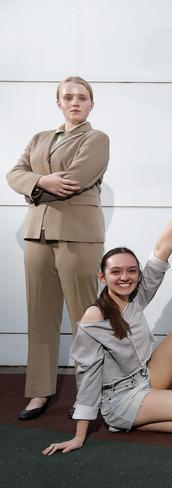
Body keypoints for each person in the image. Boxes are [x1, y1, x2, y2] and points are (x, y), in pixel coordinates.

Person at [42, 191, 172, 455]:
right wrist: (79, 436)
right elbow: (87, 374)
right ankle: (130, 423)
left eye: (131, 271)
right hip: (121, 398)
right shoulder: (95, 316)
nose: (124, 277)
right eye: (115, 272)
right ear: (102, 277)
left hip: (145, 377)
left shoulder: (137, 296)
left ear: (138, 275)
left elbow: (162, 251)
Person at [6, 76, 109, 421]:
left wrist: (34, 184)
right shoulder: (39, 138)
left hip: (79, 238)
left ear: (91, 104)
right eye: (68, 96)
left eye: (82, 97)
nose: (75, 101)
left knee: (87, 321)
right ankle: (38, 393)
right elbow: (13, 174)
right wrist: (39, 181)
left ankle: (91, 396)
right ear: (59, 103)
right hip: (37, 237)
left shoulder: (96, 139)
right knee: (40, 319)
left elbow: (73, 182)